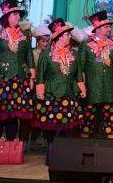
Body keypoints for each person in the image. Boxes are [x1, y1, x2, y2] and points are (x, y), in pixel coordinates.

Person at [0, 0, 35, 144]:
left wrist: (32, 78)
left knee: (14, 116)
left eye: (19, 14)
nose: (18, 16)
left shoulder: (24, 36)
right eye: (15, 14)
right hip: (1, 78)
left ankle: (10, 148)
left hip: (19, 79)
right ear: (7, 16)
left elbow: (29, 57)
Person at [33, 20, 82, 149]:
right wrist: (40, 91)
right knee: (52, 126)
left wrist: (81, 87)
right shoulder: (47, 54)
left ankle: (64, 152)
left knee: (67, 126)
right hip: (52, 94)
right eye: (67, 34)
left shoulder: (74, 53)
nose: (70, 36)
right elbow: (40, 75)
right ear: (59, 37)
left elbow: (78, 73)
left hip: (69, 93)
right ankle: (51, 150)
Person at [77, 10, 113, 138]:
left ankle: (111, 135)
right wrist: (81, 85)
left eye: (109, 27)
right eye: (106, 27)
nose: (109, 29)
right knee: (88, 110)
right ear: (97, 28)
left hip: (109, 85)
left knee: (109, 110)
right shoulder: (86, 44)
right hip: (91, 84)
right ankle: (85, 135)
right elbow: (80, 66)